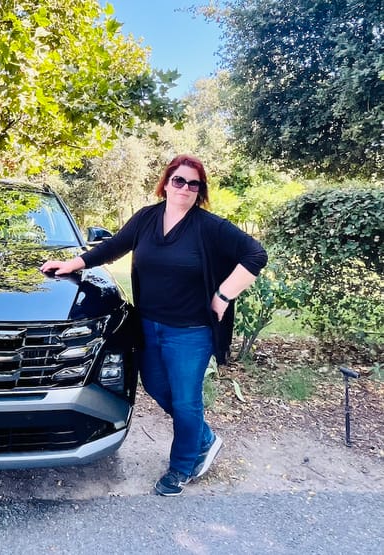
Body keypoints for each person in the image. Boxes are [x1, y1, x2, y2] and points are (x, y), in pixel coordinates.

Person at [40, 154, 267, 496]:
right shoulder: (148, 218)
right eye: (179, 180)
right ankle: (204, 438)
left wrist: (223, 295)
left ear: (200, 190)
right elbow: (115, 246)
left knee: (187, 401)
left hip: (191, 332)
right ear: (166, 183)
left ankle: (182, 467)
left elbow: (255, 254)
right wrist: (72, 263)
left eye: (194, 184)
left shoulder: (209, 227)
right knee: (157, 388)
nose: (186, 188)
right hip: (148, 325)